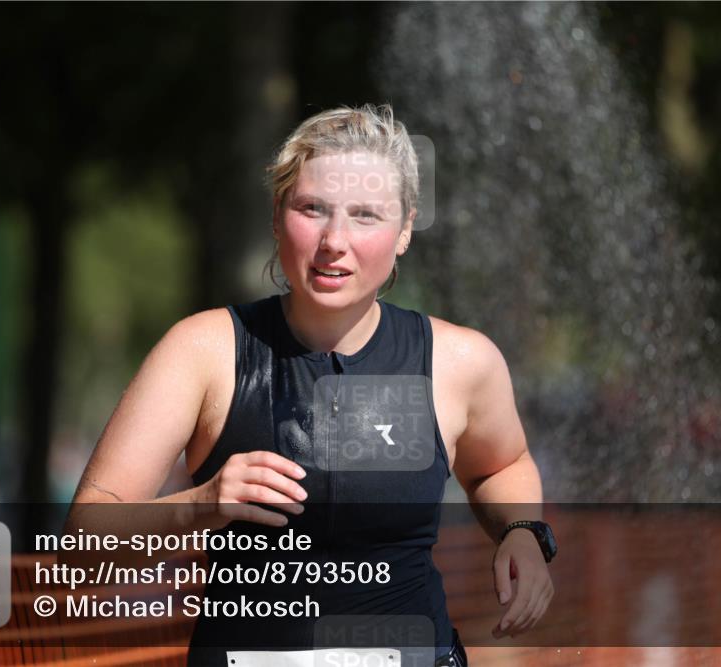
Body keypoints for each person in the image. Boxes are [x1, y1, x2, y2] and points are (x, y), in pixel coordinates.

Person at [72, 103, 554, 666]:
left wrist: (522, 529)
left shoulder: (461, 361)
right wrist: (200, 505)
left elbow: (502, 464)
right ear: (277, 218)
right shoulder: (202, 351)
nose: (334, 240)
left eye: (366, 216)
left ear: (404, 232)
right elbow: (85, 539)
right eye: (313, 209)